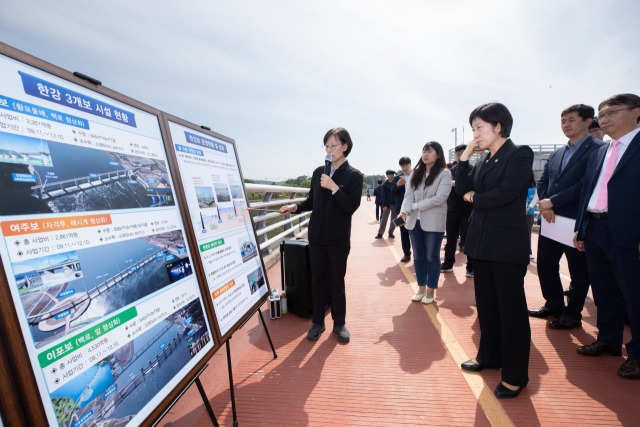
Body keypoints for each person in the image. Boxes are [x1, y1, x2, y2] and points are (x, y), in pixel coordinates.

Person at [456, 102, 534, 399]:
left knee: (511, 312)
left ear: (498, 126)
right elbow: (461, 189)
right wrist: (465, 158)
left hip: (506, 245)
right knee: (487, 306)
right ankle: (489, 356)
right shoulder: (485, 159)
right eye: (473, 128)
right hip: (482, 243)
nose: (475, 133)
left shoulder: (519, 153)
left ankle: (515, 375)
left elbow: (507, 192)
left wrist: (477, 196)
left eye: (479, 127)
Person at [574, 93, 640, 379]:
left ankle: (637, 354)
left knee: (635, 295)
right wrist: (581, 228)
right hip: (596, 228)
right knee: (603, 291)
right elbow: (587, 190)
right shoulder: (600, 150)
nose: (605, 119)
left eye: (612, 112)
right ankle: (609, 340)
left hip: (629, 231)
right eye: (602, 115)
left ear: (637, 112)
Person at [279, 127, 363, 343]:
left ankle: (339, 323)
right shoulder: (319, 172)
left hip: (338, 239)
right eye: (326, 146)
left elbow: (351, 206)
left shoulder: (354, 176)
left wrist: (335, 188)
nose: (328, 149)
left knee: (337, 282)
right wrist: (294, 207)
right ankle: (317, 322)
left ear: (345, 147)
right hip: (316, 237)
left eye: (333, 145)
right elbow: (310, 201)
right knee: (317, 280)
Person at [528, 104, 603, 330]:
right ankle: (554, 305)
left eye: (571, 120)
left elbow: (586, 185)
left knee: (579, 271)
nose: (566, 125)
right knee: (545, 265)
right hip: (551, 221)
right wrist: (546, 204)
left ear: (588, 121)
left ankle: (572, 313)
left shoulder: (599, 149)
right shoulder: (557, 152)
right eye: (563, 121)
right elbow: (544, 180)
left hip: (576, 220)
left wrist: (554, 201)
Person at [398, 142, 451, 304]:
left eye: (429, 151)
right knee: (419, 257)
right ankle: (421, 288)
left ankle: (430, 290)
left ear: (438, 154)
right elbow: (408, 196)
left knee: (432, 257)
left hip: (434, 222)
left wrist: (416, 206)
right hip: (414, 221)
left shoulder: (444, 174)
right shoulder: (415, 174)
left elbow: (440, 198)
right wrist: (405, 211)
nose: (425, 154)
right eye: (423, 151)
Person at [442, 145, 474, 277]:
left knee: (469, 239)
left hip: (468, 210)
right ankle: (448, 263)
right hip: (452, 209)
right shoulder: (450, 171)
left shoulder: (474, 170)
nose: (460, 156)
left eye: (463, 153)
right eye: (458, 154)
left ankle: (471, 267)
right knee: (451, 238)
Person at [392, 156, 413, 262]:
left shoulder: (416, 175)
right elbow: (392, 191)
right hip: (402, 209)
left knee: (416, 231)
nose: (405, 167)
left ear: (410, 164)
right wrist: (398, 185)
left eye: (406, 165)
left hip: (415, 208)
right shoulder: (398, 178)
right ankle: (406, 253)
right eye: (402, 166)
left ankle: (418, 253)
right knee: (404, 232)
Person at [375, 170, 397, 239]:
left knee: (394, 219)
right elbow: (383, 196)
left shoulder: (396, 183)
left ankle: (391, 232)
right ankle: (380, 233)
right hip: (387, 204)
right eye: (389, 175)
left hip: (395, 204)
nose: (391, 176)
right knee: (384, 219)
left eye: (392, 174)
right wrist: (384, 205)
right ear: (387, 176)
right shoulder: (385, 185)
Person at [525, 174, 538, 259]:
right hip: (519, 211)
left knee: (528, 232)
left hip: (529, 212)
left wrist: (528, 208)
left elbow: (536, 198)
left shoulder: (535, 187)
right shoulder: (521, 184)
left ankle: (528, 251)